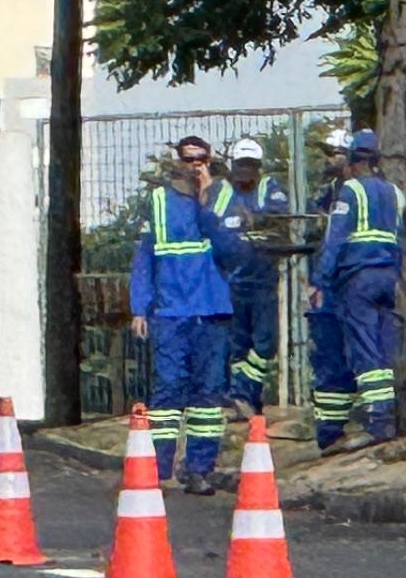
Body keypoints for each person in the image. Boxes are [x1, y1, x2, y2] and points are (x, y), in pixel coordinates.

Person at [125, 135, 246, 492]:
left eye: (201, 159)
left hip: (212, 310)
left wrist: (207, 204)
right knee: (167, 392)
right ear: (176, 161)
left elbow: (233, 252)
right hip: (171, 311)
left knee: (208, 396)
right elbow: (145, 260)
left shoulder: (224, 198)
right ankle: (159, 470)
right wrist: (139, 308)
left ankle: (199, 470)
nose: (196, 165)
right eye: (189, 159)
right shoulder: (159, 202)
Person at [312, 127, 406, 442]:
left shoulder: (350, 191)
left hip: (358, 278)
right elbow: (399, 239)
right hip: (388, 277)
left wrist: (319, 281)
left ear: (354, 161)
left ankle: (378, 423)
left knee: (365, 348)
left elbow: (335, 242)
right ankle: (387, 415)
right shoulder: (395, 193)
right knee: (383, 348)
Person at [213, 135, 291, 419]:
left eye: (250, 165)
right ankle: (241, 400)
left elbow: (279, 217)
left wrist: (255, 218)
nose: (244, 171)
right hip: (231, 282)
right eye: (240, 165)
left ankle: (245, 393)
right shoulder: (221, 193)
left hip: (262, 281)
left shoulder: (270, 189)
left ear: (258, 167)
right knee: (236, 346)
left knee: (264, 345)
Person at [303, 125, 360, 448]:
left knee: (357, 354)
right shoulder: (327, 195)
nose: (328, 160)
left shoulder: (356, 193)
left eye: (334, 154)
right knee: (328, 357)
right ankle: (330, 432)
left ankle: (362, 422)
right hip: (326, 289)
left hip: (347, 285)